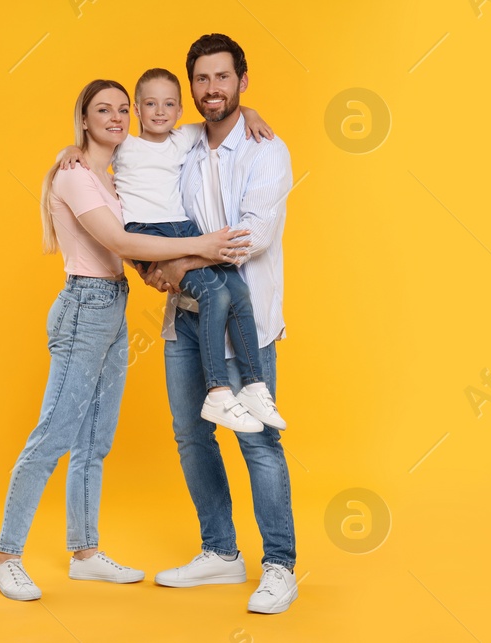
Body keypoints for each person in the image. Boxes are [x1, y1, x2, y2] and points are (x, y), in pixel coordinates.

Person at [0, 78, 252, 602]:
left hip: (111, 304)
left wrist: (153, 270)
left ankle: (84, 553)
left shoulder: (104, 175)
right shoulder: (75, 176)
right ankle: (6, 557)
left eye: (122, 110)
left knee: (94, 441)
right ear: (83, 120)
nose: (116, 117)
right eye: (102, 110)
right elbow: (117, 239)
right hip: (83, 306)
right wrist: (203, 246)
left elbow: (128, 250)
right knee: (54, 435)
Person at [143, 34, 299, 614]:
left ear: (243, 80)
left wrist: (178, 260)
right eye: (202, 80)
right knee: (192, 437)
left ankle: (280, 565)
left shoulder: (267, 150)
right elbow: (135, 150)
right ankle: (221, 553)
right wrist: (77, 153)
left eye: (223, 78)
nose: (212, 90)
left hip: (244, 318)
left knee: (258, 442)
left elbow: (251, 237)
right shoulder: (181, 142)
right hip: (183, 318)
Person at [56, 68, 286, 434]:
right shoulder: (125, 145)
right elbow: (93, 149)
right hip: (149, 232)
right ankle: (218, 390)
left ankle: (254, 385)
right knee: (214, 294)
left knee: (239, 290)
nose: (159, 112)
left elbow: (226, 116)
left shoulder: (183, 139)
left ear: (180, 110)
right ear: (136, 109)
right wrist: (71, 148)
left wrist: (253, 113)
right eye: (150, 104)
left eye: (168, 105)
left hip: (183, 227)